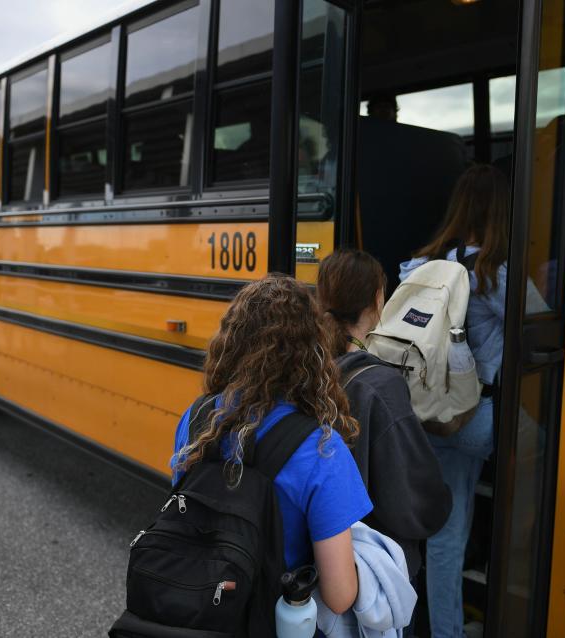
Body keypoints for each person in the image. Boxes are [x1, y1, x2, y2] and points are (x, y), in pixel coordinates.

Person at [170, 274, 373, 616]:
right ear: (313, 352)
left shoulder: (197, 417)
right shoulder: (321, 448)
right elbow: (340, 596)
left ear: (231, 340)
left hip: (198, 608)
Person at [399, 164, 510, 638]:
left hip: (427, 411)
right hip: (477, 416)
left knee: (443, 533)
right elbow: (549, 320)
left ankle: (438, 628)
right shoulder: (494, 273)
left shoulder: (417, 267)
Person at [317, 249, 451, 580]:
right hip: (372, 567)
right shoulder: (380, 385)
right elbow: (413, 497)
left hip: (321, 553)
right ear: (378, 299)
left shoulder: (307, 367)